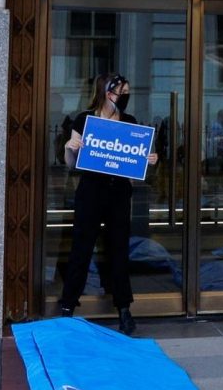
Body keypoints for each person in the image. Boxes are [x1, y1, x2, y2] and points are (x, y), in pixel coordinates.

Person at [58, 72, 156, 334]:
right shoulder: (85, 120)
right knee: (81, 248)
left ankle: (124, 309)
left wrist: (147, 161)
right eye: (121, 91)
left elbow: (134, 171)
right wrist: (70, 146)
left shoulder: (130, 122)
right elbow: (70, 163)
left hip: (119, 194)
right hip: (90, 192)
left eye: (127, 92)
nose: (125, 96)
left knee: (118, 250)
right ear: (106, 92)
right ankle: (67, 306)